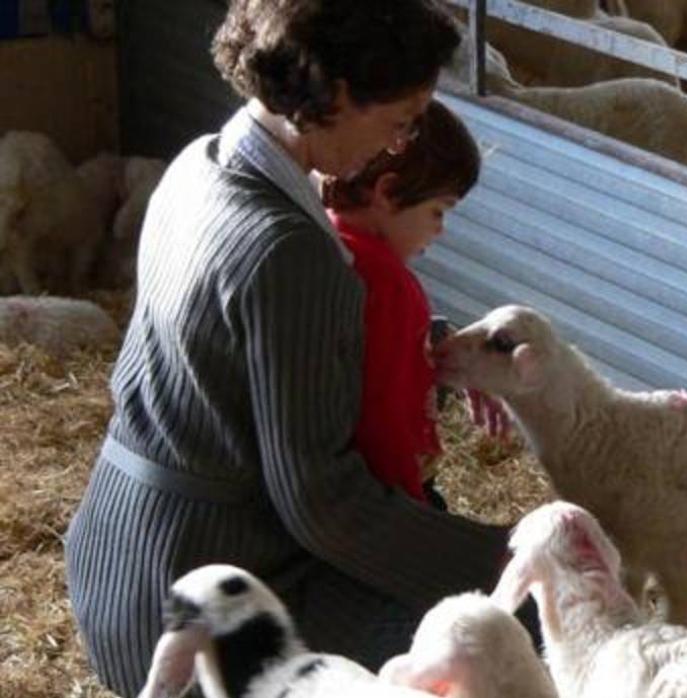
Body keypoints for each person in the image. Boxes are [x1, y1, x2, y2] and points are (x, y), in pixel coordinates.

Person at [63, 2, 515, 695]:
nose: (400, 145)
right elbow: (322, 504)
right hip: (211, 601)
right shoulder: (290, 249)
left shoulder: (198, 165)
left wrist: (432, 355)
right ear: (335, 96)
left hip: (118, 558)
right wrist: (505, 556)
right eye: (398, 121)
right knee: (504, 640)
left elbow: (250, 353)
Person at [320, 99, 481, 509]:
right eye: (438, 211)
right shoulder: (389, 283)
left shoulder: (323, 241)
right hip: (392, 496)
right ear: (388, 193)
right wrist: (414, 511)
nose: (440, 230)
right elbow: (384, 415)